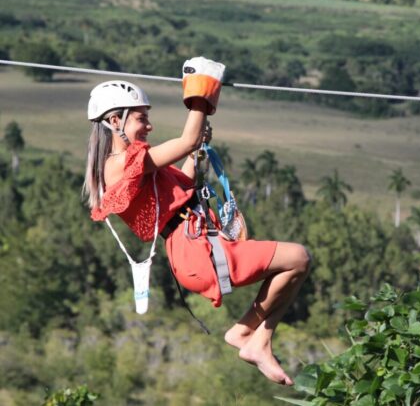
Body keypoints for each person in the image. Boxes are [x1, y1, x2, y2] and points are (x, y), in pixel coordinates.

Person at [82, 57, 311, 386]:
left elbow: (184, 182)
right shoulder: (119, 164)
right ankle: (252, 336)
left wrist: (195, 152)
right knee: (298, 257)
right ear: (116, 120)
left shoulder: (139, 162)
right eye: (141, 119)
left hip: (197, 246)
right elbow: (185, 140)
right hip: (195, 252)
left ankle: (250, 334)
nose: (148, 126)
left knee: (297, 260)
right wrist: (200, 91)